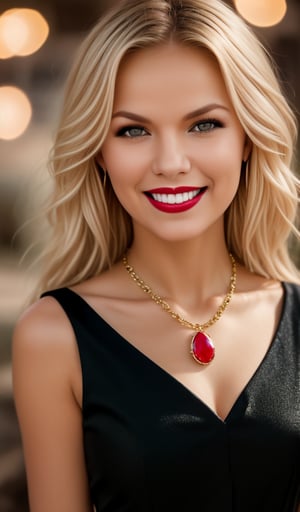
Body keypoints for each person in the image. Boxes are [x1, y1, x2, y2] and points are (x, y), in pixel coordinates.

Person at [12, 0, 300, 510]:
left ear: (249, 138)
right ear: (99, 151)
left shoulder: (295, 318)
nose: (170, 162)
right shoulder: (52, 337)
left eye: (205, 124)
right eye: (133, 130)